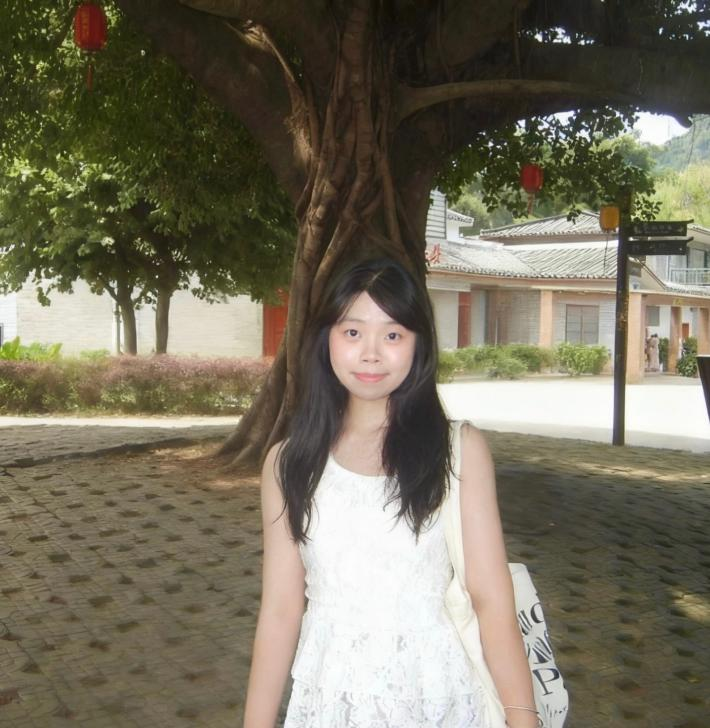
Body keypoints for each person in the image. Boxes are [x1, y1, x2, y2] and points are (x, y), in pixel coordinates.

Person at [244, 258, 538, 728]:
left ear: (419, 344)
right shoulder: (288, 463)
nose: (371, 354)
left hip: (436, 696)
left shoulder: (458, 451)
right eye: (352, 332)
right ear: (326, 339)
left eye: (393, 335)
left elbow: (491, 597)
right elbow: (280, 610)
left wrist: (524, 718)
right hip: (332, 700)